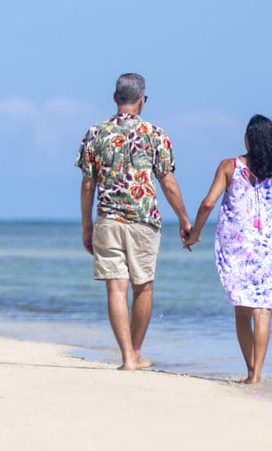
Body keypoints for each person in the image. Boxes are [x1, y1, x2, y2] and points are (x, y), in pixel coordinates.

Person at [75, 73, 193, 371]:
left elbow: (88, 185)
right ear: (142, 100)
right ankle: (137, 352)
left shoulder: (95, 133)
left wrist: (87, 224)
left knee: (117, 289)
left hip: (108, 218)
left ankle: (127, 357)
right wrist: (184, 220)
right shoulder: (155, 134)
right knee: (144, 287)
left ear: (115, 98)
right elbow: (168, 183)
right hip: (144, 219)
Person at [184, 115, 272, 384]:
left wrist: (194, 234)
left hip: (235, 248)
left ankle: (250, 371)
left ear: (249, 139)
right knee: (263, 311)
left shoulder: (229, 166)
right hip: (267, 250)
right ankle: (256, 375)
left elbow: (207, 204)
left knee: (242, 310)